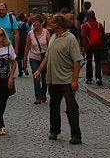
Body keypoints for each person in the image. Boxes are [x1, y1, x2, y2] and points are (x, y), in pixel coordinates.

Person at [33, 13, 82, 144]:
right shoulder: (53, 37)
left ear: (59, 24)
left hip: (67, 79)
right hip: (53, 79)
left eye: (53, 22)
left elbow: (76, 60)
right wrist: (38, 70)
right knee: (54, 106)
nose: (50, 23)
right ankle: (55, 130)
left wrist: (75, 80)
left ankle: (76, 135)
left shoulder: (70, 39)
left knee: (71, 107)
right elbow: (47, 57)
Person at [0, 27, 17, 136]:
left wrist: (11, 77)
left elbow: (14, 62)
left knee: (3, 101)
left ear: (4, 36)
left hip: (5, 78)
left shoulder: (8, 47)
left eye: (0, 35)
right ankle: (1, 125)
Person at [24, 14, 50, 103]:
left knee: (44, 78)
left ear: (41, 23)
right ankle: (38, 97)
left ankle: (43, 94)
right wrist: (24, 60)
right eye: (33, 22)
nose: (34, 24)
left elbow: (50, 46)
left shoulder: (46, 32)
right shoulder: (30, 34)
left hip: (44, 58)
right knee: (36, 76)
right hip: (34, 57)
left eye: (36, 22)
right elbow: (27, 47)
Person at [81, 10, 105, 86]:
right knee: (98, 62)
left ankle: (89, 79)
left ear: (88, 16)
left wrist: (83, 47)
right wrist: (102, 43)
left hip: (89, 46)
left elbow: (84, 37)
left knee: (89, 62)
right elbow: (103, 35)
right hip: (98, 45)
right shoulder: (99, 24)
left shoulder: (85, 25)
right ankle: (98, 77)